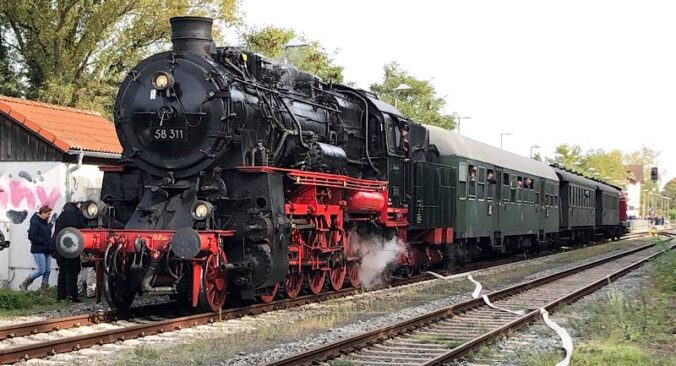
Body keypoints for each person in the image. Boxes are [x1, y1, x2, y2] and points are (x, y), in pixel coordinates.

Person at [51, 202, 87, 302]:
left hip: (59, 246)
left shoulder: (63, 215)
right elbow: (79, 227)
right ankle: (72, 295)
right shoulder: (72, 215)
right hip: (69, 247)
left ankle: (61, 295)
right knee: (71, 271)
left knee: (63, 271)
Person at [20, 206, 53, 291]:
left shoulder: (45, 222)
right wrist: (43, 241)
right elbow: (31, 236)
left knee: (48, 271)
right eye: (48, 214)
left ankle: (44, 292)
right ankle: (25, 283)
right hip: (38, 249)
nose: (49, 216)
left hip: (46, 249)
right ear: (43, 213)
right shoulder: (35, 221)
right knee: (42, 270)